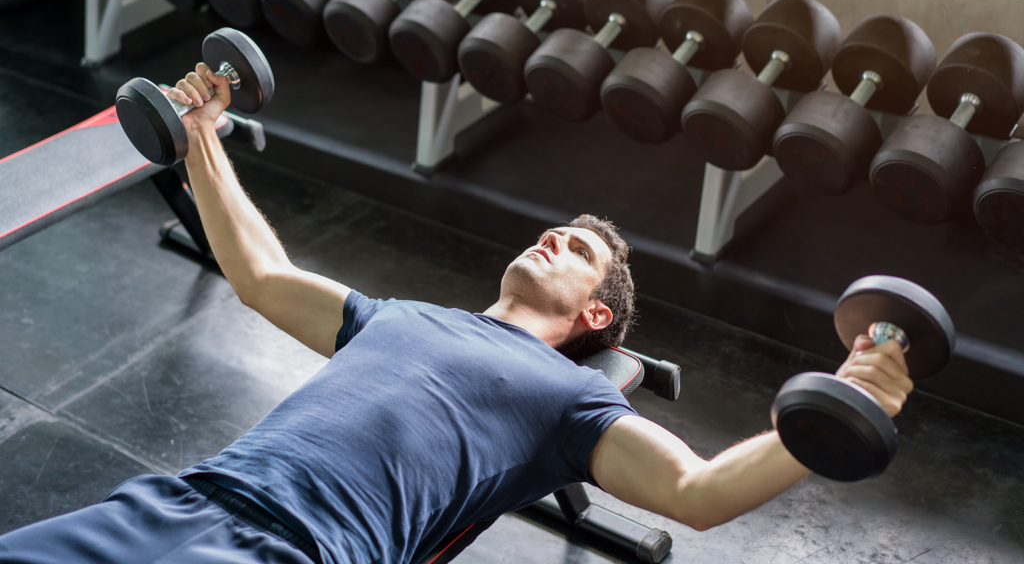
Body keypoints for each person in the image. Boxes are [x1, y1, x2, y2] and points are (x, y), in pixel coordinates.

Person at [0, 64, 914, 564]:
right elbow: (260, 273)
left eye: (577, 250)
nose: (552, 239)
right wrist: (201, 137)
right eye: (553, 231)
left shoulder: (572, 398)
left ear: (596, 316)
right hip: (175, 499)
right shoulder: (403, 316)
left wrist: (848, 398)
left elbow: (697, 495)